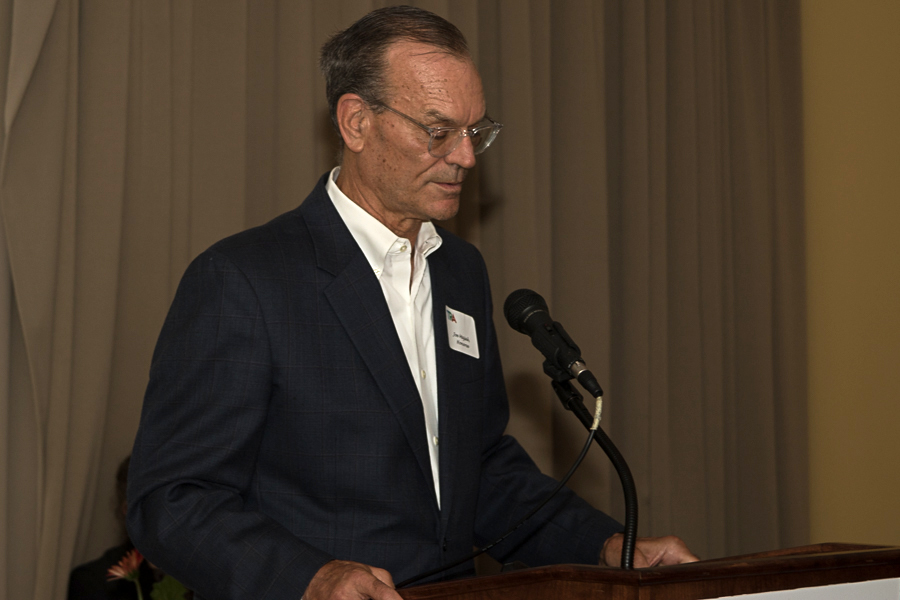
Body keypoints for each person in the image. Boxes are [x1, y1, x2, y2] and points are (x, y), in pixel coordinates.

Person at [126, 6, 697, 600]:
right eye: (438, 131)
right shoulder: (243, 280)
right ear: (355, 122)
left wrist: (607, 548)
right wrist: (311, 579)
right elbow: (171, 500)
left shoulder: (459, 272)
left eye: (476, 131)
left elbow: (480, 471)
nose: (467, 158)